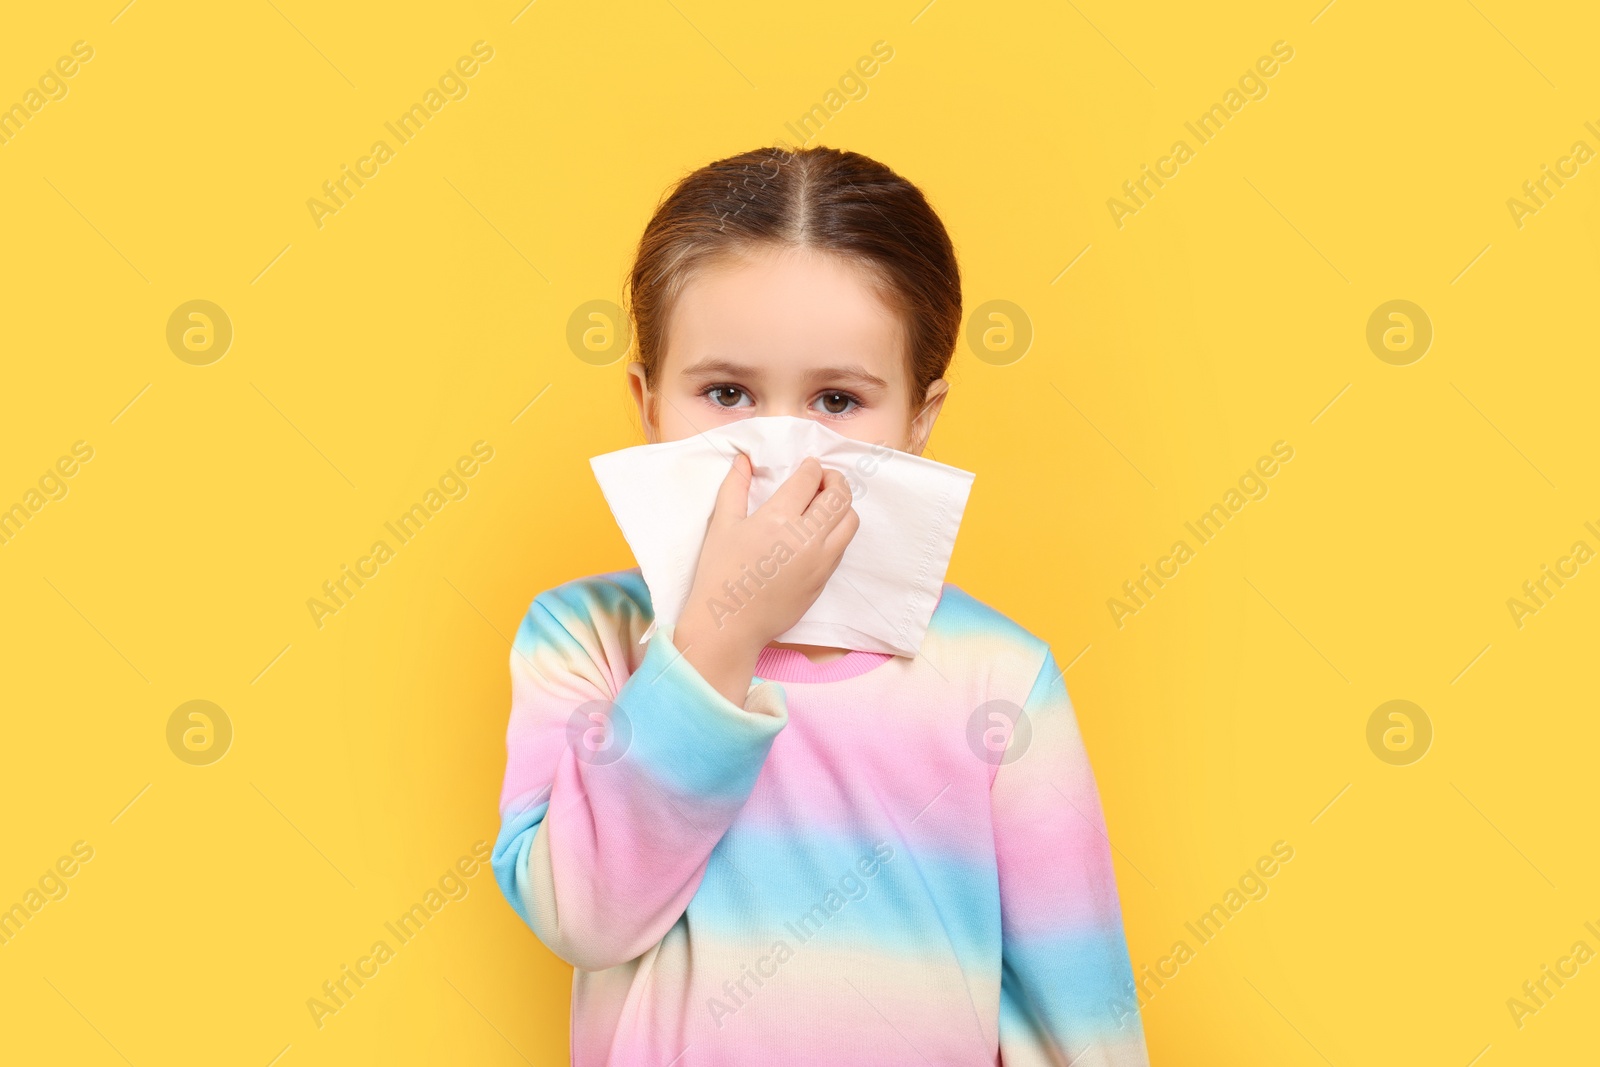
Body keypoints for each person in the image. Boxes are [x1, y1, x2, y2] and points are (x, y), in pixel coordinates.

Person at [491, 144, 1150, 1066]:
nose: (781, 449)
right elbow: (586, 917)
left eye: (838, 398)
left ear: (920, 418)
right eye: (726, 392)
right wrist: (718, 636)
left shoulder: (998, 678)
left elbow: (1077, 1010)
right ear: (647, 402)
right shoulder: (586, 639)